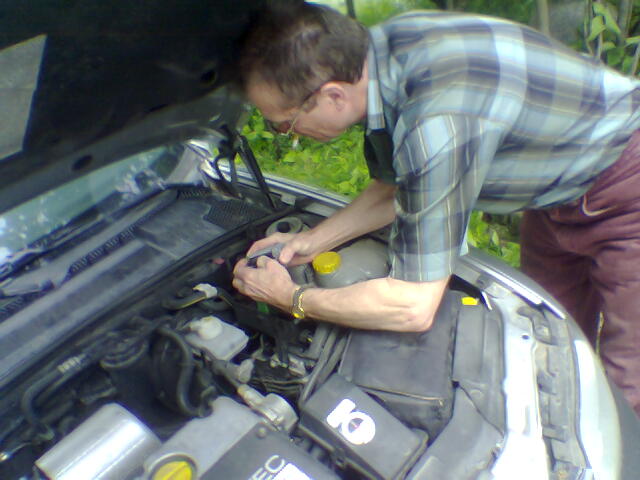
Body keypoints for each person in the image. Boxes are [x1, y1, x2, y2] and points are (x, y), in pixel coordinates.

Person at [231, 2, 640, 416]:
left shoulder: (437, 123)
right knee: (551, 341)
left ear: (333, 95)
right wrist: (312, 241)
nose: (288, 134)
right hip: (556, 189)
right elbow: (397, 187)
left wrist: (294, 298)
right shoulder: (386, 54)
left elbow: (412, 305)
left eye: (282, 124)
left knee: (629, 388)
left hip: (628, 183)